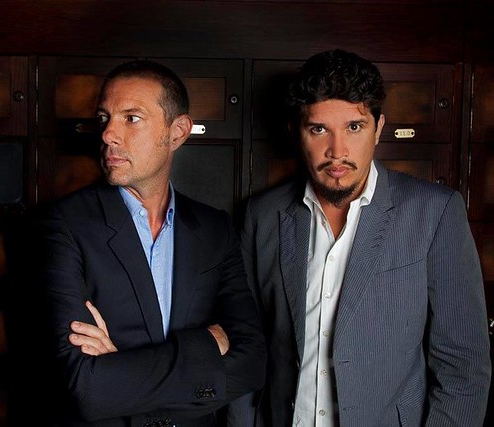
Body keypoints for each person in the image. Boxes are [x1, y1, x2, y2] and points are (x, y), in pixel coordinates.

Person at [234, 49, 491, 426]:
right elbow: (246, 343)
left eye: (354, 127)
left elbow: (463, 365)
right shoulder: (262, 215)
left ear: (378, 127)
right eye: (319, 129)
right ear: (296, 131)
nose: (337, 151)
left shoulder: (434, 212)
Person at [31, 59, 266, 426]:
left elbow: (252, 364)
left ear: (178, 132)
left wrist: (118, 369)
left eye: (132, 118)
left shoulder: (214, 229)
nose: (108, 134)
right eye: (104, 118)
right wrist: (206, 348)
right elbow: (88, 389)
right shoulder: (65, 224)